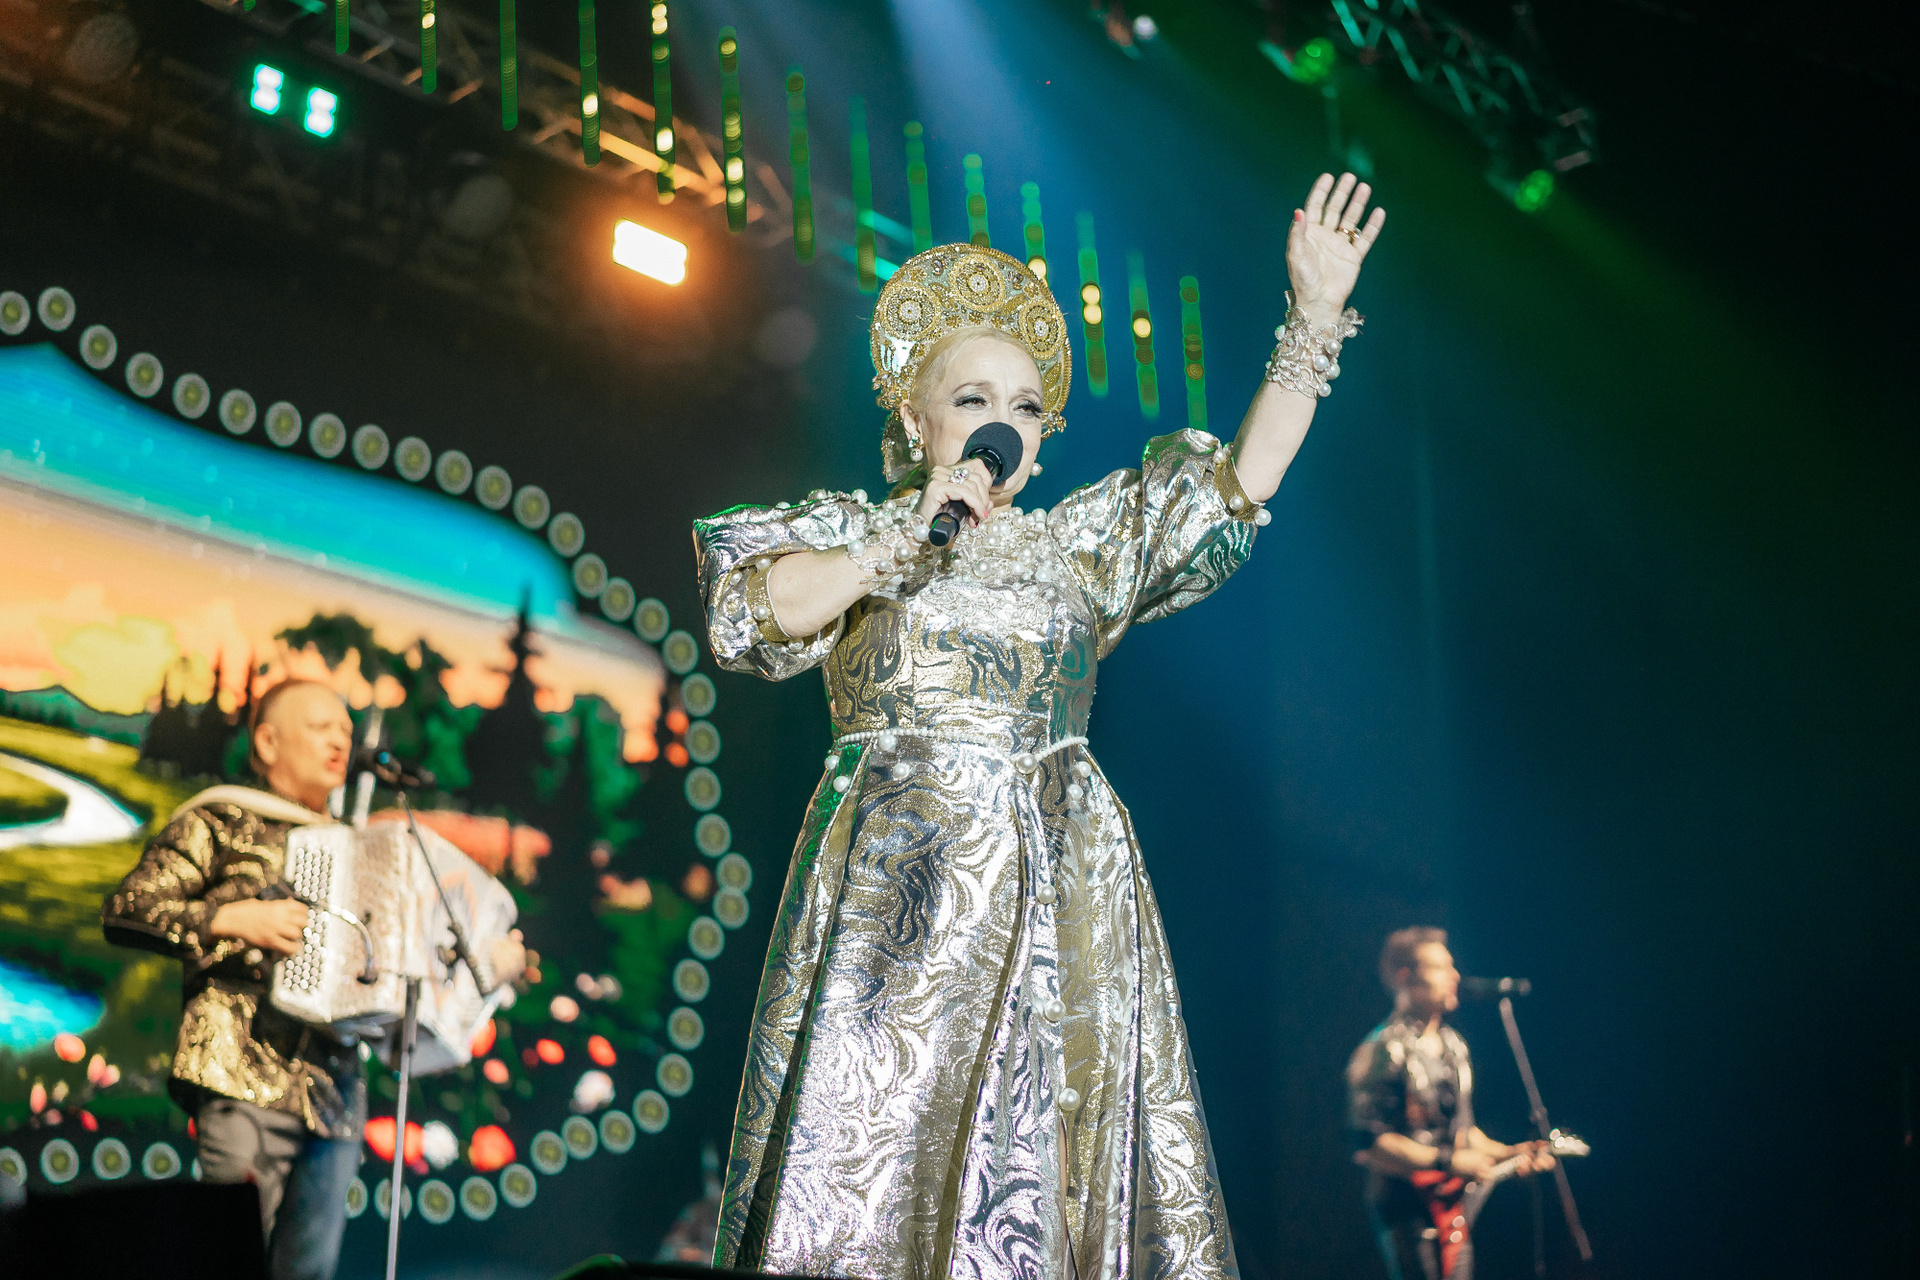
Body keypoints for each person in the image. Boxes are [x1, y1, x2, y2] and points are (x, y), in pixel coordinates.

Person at [694, 173, 1385, 1279]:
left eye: (1024, 409)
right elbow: (757, 610)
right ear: (914, 418)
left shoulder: (1077, 549)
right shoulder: (853, 533)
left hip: (1060, 890)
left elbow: (1238, 484)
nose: (1001, 425)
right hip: (900, 895)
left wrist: (1311, 319)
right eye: (973, 399)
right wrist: (903, 538)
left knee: (1040, 1179)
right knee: (875, 1173)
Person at [102, 679, 524, 1280]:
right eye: (321, 727)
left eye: (346, 732)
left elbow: (407, 970)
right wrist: (231, 919)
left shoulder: (369, 849)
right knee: (231, 1263)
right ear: (267, 742)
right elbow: (129, 909)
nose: (340, 741)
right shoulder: (221, 818)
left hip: (336, 1099)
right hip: (238, 1077)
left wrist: (488, 965)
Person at [1347, 928, 1556, 1280]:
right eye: (1440, 967)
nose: (1454, 976)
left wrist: (1509, 1153)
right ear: (1405, 976)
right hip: (1409, 1209)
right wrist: (1448, 1162)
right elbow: (1369, 1143)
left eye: (1452, 966)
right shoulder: (1382, 1050)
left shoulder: (1453, 1046)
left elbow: (1463, 1132)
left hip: (1453, 1207)